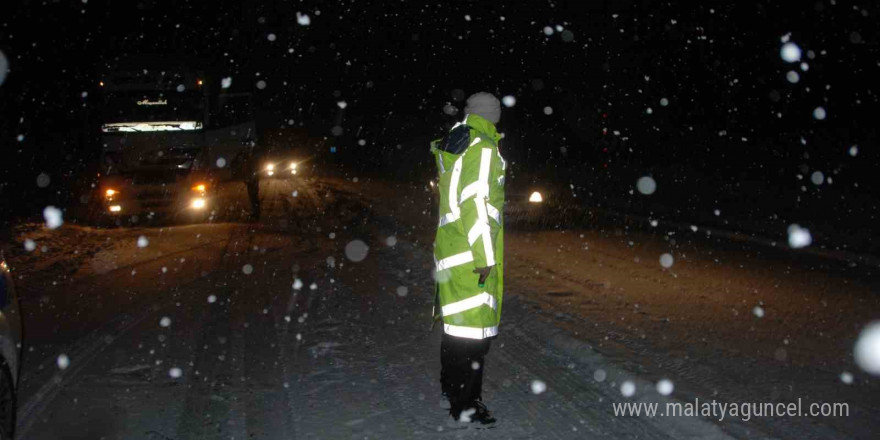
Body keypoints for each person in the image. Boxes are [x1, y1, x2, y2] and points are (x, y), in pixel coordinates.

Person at [430, 92, 506, 424]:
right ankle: (467, 405)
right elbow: (474, 204)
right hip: (472, 253)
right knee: (474, 339)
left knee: (456, 330)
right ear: (493, 114)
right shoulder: (484, 147)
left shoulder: (459, 142)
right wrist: (485, 257)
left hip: (452, 250)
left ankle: (451, 389)